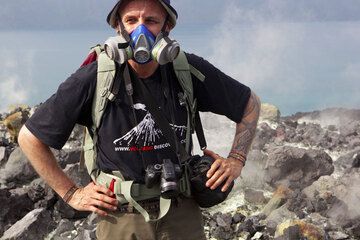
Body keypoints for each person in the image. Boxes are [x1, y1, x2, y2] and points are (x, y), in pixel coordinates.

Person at [18, 0, 261, 239]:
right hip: (121, 217)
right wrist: (71, 193)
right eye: (131, 20)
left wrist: (237, 159)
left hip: (182, 213)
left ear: (167, 27)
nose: (140, 30)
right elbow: (29, 138)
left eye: (151, 21)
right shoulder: (94, 77)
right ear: (118, 27)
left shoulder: (186, 69)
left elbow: (249, 103)